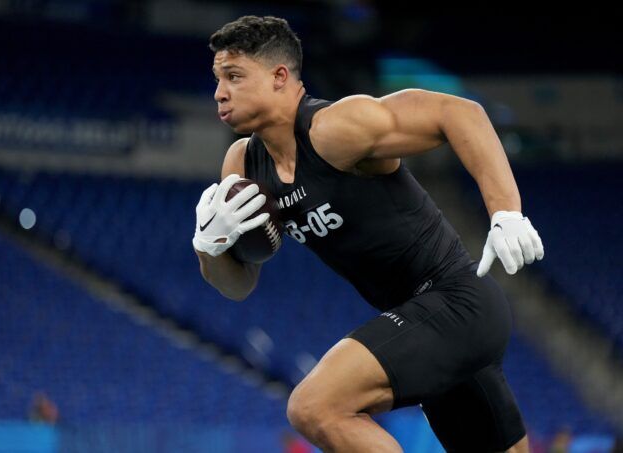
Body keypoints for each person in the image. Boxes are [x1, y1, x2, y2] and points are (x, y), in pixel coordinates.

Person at [193, 15, 544, 453]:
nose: (219, 92)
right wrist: (209, 247)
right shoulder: (243, 166)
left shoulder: (334, 129)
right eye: (217, 78)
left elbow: (460, 112)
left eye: (233, 76)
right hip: (424, 326)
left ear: (279, 77)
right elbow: (239, 285)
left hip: (459, 303)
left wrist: (506, 212)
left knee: (314, 406)